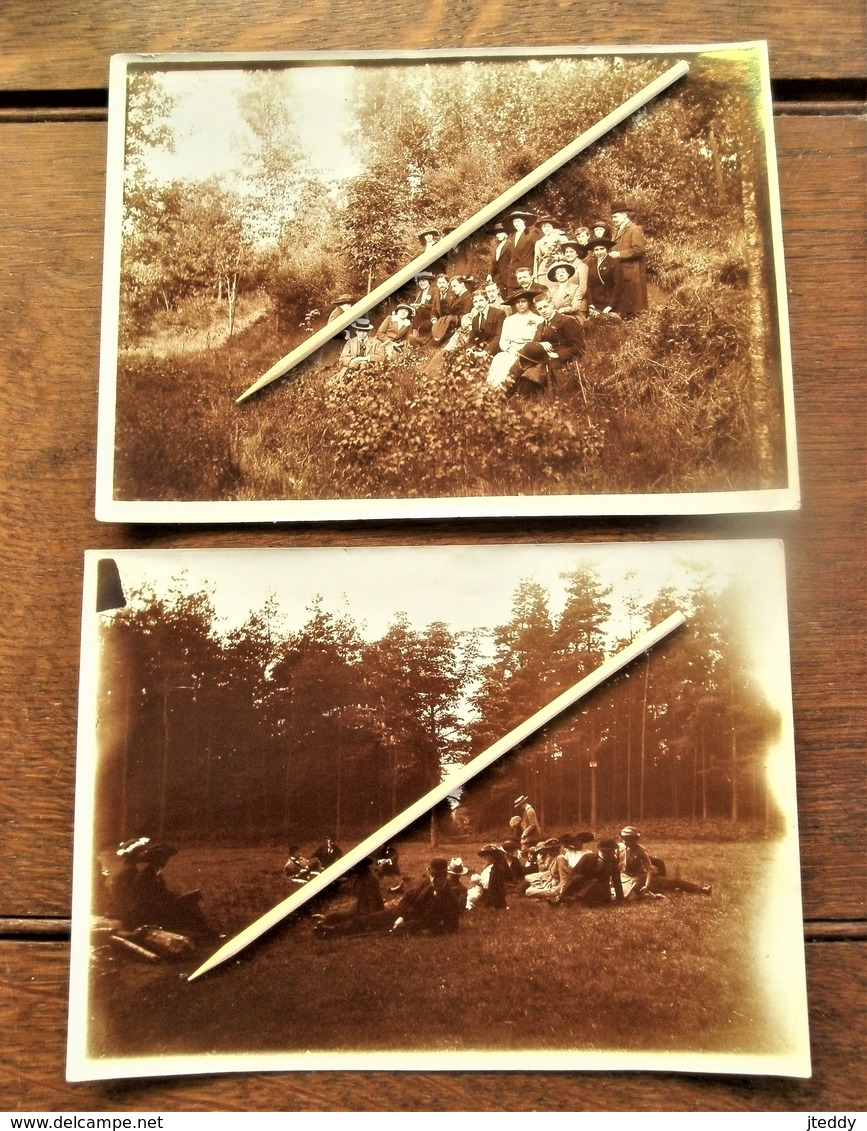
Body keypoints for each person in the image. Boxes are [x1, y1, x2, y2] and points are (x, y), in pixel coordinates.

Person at [618, 827, 711, 897]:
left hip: (640, 878)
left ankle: (702, 890)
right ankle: (674, 891)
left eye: (630, 839)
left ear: (635, 839)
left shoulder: (640, 850)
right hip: (624, 880)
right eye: (624, 838)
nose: (626, 841)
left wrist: (647, 885)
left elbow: (649, 869)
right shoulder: (619, 847)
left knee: (674, 881)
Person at [486, 290, 542, 388]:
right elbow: (503, 341)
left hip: (528, 353)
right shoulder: (509, 320)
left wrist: (523, 351)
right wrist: (512, 350)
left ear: (529, 302)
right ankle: (493, 391)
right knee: (499, 358)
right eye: (517, 302)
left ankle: (506, 390)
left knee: (513, 363)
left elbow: (537, 341)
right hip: (512, 350)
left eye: (523, 301)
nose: (520, 304)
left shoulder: (537, 319)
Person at [532, 292, 585, 383]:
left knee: (549, 371)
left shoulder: (567, 321)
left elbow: (579, 346)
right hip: (544, 357)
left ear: (552, 305)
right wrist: (541, 344)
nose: (543, 311)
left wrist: (558, 355)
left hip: (562, 359)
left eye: (545, 306)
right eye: (540, 309)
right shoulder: (540, 326)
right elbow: (535, 342)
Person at [558, 837, 624, 905]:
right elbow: (573, 875)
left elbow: (616, 880)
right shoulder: (588, 857)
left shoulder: (613, 861)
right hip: (585, 887)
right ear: (604, 851)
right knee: (577, 878)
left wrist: (620, 898)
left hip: (601, 892)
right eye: (612, 851)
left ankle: (575, 899)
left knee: (595, 881)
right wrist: (564, 893)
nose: (614, 853)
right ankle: (561, 899)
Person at [609, 202, 648, 316]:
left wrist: (619, 254)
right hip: (621, 269)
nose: (613, 220)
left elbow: (638, 250)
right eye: (612, 217)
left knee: (632, 302)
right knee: (623, 301)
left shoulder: (634, 229)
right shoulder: (618, 230)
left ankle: (633, 325)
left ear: (624, 215)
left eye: (615, 217)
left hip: (631, 271)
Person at [586, 238, 624, 315]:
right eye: (596, 250)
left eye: (602, 249)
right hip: (596, 303)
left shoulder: (614, 263)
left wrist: (610, 305)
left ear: (607, 249)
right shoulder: (591, 264)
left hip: (612, 302)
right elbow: (589, 285)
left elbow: (618, 286)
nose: (599, 252)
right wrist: (591, 304)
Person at [464, 288, 507, 356]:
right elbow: (472, 339)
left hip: (495, 351)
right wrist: (469, 349)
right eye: (475, 302)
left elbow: (499, 336)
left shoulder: (499, 314)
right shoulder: (475, 319)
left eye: (481, 300)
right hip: (479, 352)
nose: (478, 304)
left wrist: (486, 351)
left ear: (487, 300)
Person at [466, 844, 509, 910]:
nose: (484, 858)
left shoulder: (496, 869)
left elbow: (494, 888)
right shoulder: (492, 866)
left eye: (486, 855)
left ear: (493, 855)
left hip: (492, 898)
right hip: (489, 894)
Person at [533, 214, 565, 281]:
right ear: (541, 228)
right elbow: (537, 260)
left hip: (559, 267)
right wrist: (535, 276)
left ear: (552, 227)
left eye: (548, 226)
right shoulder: (539, 242)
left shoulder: (562, 239)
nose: (546, 229)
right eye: (544, 226)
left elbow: (568, 253)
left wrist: (561, 258)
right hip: (544, 270)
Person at [507, 210, 537, 275]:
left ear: (524, 221)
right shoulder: (511, 237)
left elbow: (537, 252)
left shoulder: (531, 233)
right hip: (515, 271)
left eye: (518, 221)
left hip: (528, 268)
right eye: (514, 221)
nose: (516, 223)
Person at [488, 222, 512, 292]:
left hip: (507, 274)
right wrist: (489, 274)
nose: (497, 235)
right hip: (497, 276)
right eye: (496, 233)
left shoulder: (510, 244)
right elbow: (493, 262)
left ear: (505, 233)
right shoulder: (496, 246)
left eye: (499, 233)